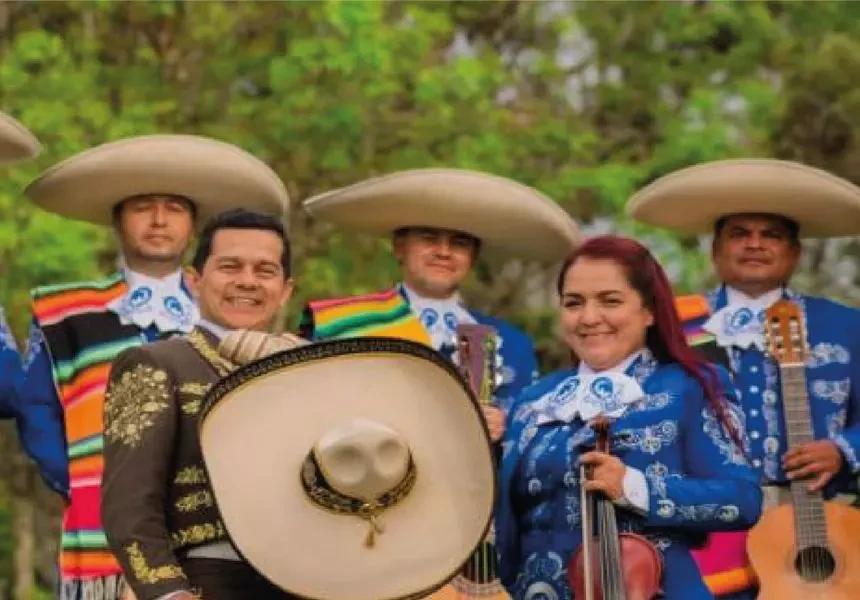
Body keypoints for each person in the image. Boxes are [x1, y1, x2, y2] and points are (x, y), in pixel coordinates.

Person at [18, 135, 289, 600]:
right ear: (117, 219)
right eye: (143, 206)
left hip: (226, 538)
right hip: (105, 535)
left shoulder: (236, 310)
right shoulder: (64, 310)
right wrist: (97, 485)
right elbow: (37, 412)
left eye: (174, 208)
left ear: (194, 224)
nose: (159, 220)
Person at [626, 159, 860, 599]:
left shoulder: (847, 326)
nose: (755, 244)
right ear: (715, 250)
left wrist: (844, 452)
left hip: (821, 535)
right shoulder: (668, 326)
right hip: (705, 533)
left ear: (795, 252)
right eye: (739, 233)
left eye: (771, 234)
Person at [495, 234, 762, 600]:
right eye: (574, 303)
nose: (589, 317)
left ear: (649, 310)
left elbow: (742, 498)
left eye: (610, 301)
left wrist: (635, 489)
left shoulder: (689, 386)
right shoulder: (533, 399)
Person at [101, 209, 296, 600]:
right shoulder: (156, 363)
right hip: (208, 578)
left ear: (286, 289)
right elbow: (130, 504)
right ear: (194, 280)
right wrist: (167, 592)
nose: (247, 281)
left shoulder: (311, 370)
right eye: (229, 266)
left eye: (264, 270)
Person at [300, 168, 581, 431]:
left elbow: (527, 448)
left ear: (473, 257)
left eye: (459, 243)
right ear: (400, 247)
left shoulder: (512, 344)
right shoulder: (342, 324)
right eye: (428, 238)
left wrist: (507, 429)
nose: (443, 252)